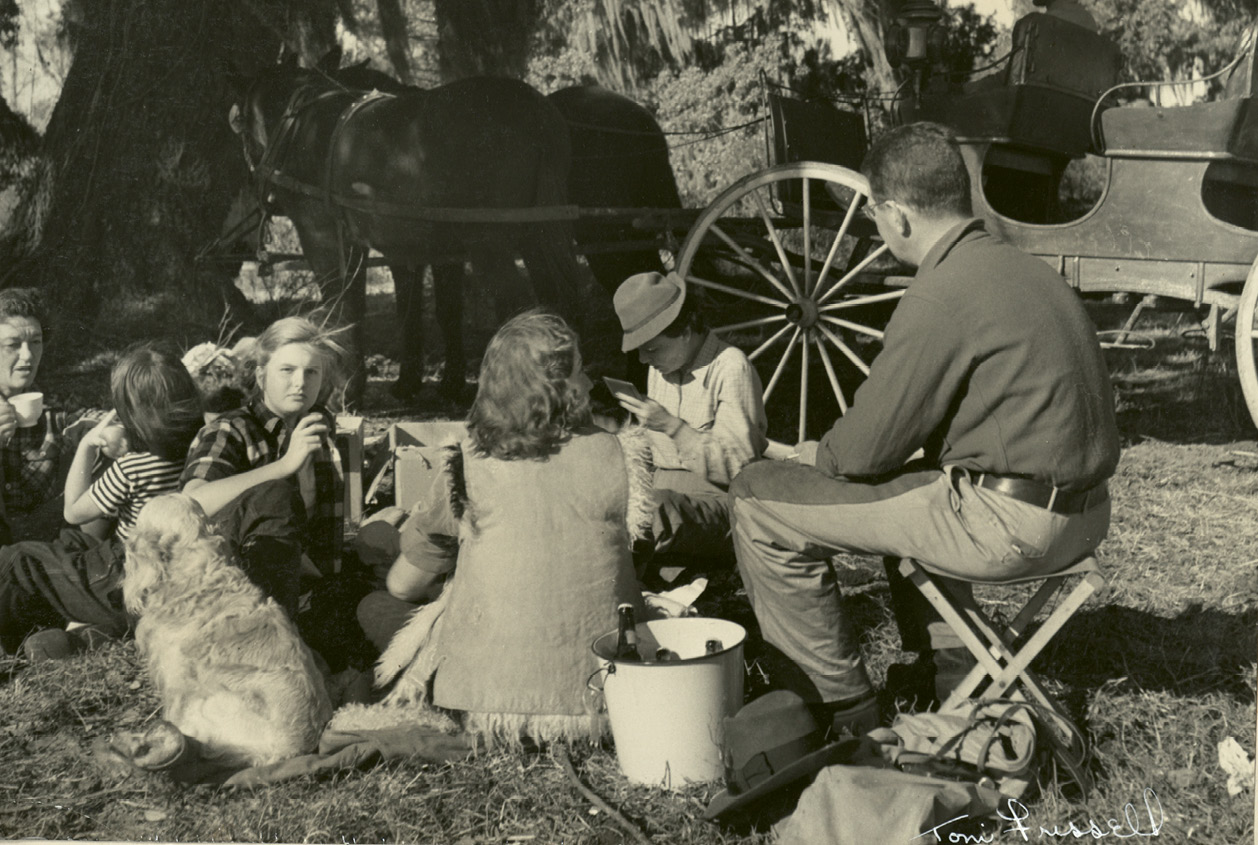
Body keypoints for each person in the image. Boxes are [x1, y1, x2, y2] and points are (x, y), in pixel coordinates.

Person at [728, 122, 1120, 735]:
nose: (880, 228)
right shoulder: (1027, 270)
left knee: (756, 499)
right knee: (911, 487)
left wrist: (815, 455)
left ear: (897, 215)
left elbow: (863, 452)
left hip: (1012, 527)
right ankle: (956, 673)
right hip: (1085, 516)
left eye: (876, 216)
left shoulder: (940, 292)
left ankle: (840, 710)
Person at [363, 310, 651, 747]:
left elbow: (404, 586)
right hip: (603, 699)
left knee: (374, 605)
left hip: (487, 707)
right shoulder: (620, 452)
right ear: (554, 390)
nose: (590, 382)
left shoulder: (465, 463)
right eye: (579, 372)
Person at [0, 344, 204, 656]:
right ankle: (69, 630)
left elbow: (74, 512)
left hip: (127, 571)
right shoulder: (198, 449)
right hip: (169, 570)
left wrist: (86, 445)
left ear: (129, 412)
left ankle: (14, 644)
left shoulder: (133, 468)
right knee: (70, 543)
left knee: (18, 559)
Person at [180, 317, 346, 619]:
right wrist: (283, 466)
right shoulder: (232, 429)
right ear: (261, 376)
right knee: (275, 495)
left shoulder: (317, 429)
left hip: (307, 588)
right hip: (237, 601)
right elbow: (191, 502)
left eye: (311, 372)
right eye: (287, 370)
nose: (300, 383)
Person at [611, 271, 767, 575]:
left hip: (723, 503)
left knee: (651, 512)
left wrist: (673, 427)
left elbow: (739, 470)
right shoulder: (662, 367)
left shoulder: (730, 367)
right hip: (667, 497)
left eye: (651, 349)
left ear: (684, 331)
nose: (643, 359)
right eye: (639, 350)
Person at [0, 287, 109, 544]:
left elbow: (88, 417)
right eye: (13, 345)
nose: (28, 355)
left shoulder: (50, 404)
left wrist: (109, 430)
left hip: (41, 538)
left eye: (35, 342)